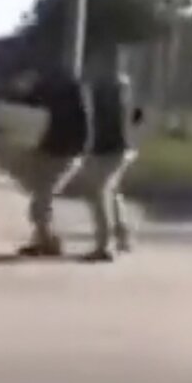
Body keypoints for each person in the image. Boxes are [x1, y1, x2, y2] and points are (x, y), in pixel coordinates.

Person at [5, 66, 91, 257]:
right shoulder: (66, 99)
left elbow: (29, 103)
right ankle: (43, 240)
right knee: (40, 196)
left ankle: (49, 241)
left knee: (42, 198)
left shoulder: (64, 100)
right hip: (53, 150)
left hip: (62, 153)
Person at [78, 66, 144, 262]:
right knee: (111, 192)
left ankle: (104, 245)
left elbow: (100, 126)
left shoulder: (108, 102)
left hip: (112, 150)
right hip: (117, 150)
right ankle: (122, 237)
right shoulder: (122, 103)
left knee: (99, 193)